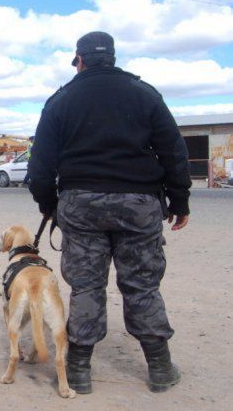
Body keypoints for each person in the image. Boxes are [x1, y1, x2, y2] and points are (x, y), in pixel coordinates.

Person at [29, 31, 191, 394]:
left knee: (86, 285)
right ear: (113, 58)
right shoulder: (144, 93)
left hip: (81, 204)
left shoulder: (61, 99)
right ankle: (160, 367)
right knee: (142, 284)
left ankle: (80, 369)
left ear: (80, 59)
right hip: (139, 204)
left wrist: (50, 205)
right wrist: (179, 201)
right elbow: (174, 151)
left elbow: (40, 166)